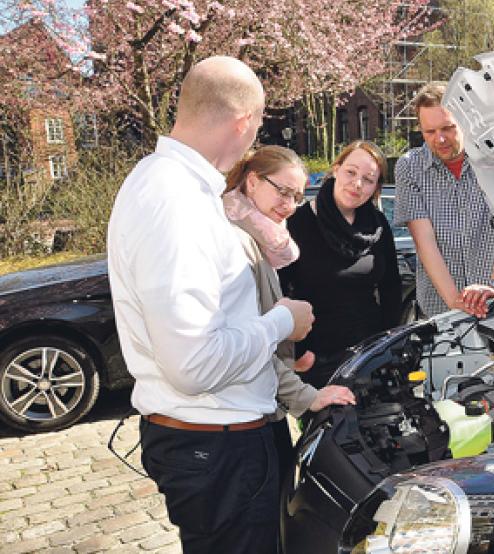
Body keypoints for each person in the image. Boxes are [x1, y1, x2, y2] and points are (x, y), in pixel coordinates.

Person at [106, 56, 313, 554]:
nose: (256, 133)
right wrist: (281, 321)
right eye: (260, 122)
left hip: (224, 444)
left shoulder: (171, 186)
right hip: (219, 451)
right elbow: (193, 365)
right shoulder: (175, 201)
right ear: (244, 121)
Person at [221, 145, 357, 481]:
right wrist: (306, 396)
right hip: (245, 421)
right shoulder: (237, 243)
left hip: (263, 404)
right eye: (283, 192)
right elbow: (244, 342)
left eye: (297, 197)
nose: (289, 206)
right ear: (252, 182)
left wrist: (287, 358)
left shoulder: (261, 239)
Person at [278, 141, 402, 388]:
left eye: (368, 179)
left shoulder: (377, 225)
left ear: (376, 187)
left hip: (369, 355)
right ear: (336, 169)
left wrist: (387, 347)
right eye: (351, 172)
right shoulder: (298, 223)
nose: (357, 184)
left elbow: (391, 287)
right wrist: (300, 352)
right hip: (317, 358)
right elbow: (280, 289)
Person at [394, 82, 494, 319]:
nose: (440, 139)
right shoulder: (409, 167)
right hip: (438, 309)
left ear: (466, 121)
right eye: (430, 132)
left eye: (448, 128)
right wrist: (455, 303)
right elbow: (424, 242)